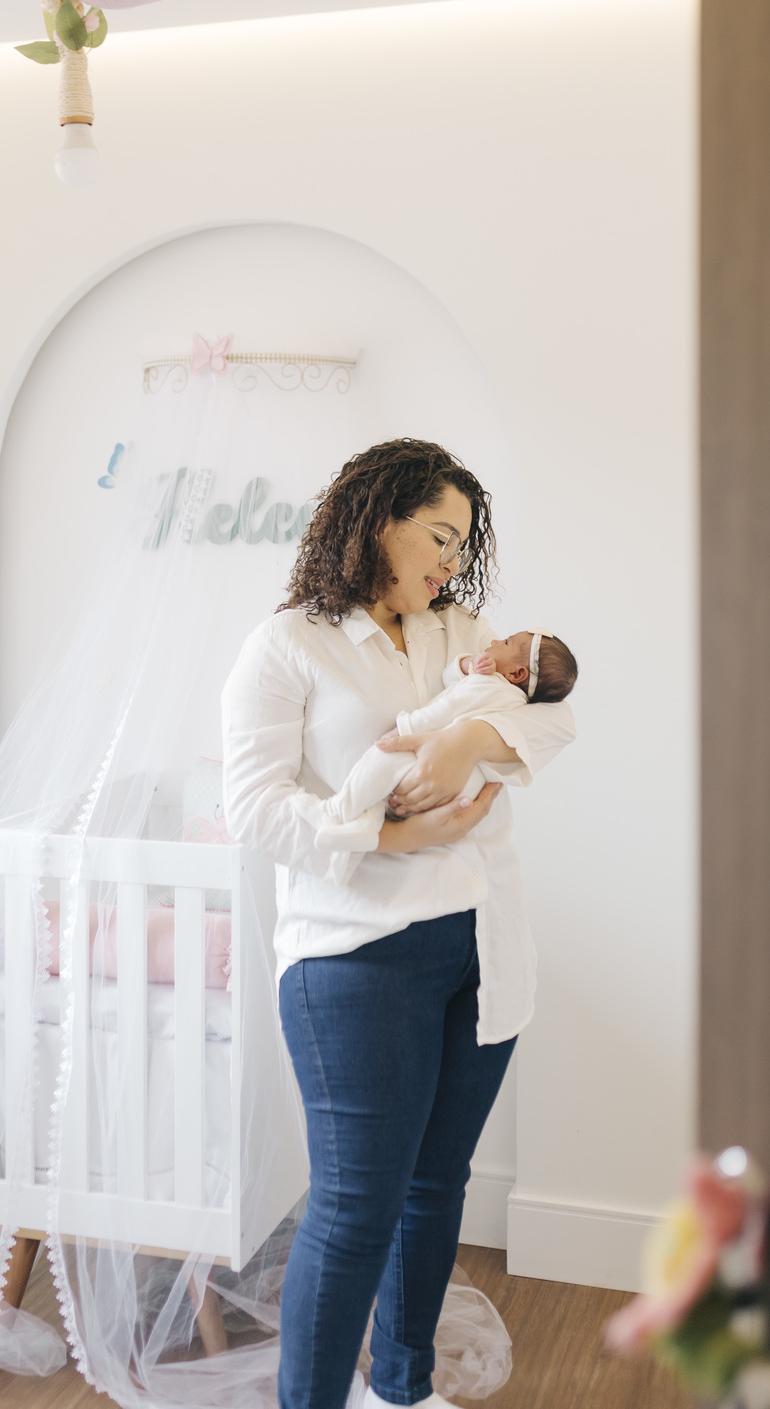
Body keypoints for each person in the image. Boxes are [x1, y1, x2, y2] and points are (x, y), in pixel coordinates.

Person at [220, 438, 576, 1409]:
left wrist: (465, 740)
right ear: (378, 519)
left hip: (483, 943)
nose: (452, 563)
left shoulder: (462, 630)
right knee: (355, 1209)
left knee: (436, 1185)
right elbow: (252, 808)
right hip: (356, 956)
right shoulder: (288, 644)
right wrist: (388, 835)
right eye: (439, 537)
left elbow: (552, 718)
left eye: (463, 545)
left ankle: (403, 1393)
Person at [305, 628, 578, 852]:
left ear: (517, 674)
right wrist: (468, 665)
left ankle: (340, 811)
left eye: (505, 642)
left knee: (380, 760)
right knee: (383, 797)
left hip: (422, 758)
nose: (496, 641)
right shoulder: (515, 700)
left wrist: (406, 728)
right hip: (462, 789)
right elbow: (455, 683)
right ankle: (364, 829)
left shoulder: (488, 685)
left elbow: (446, 707)